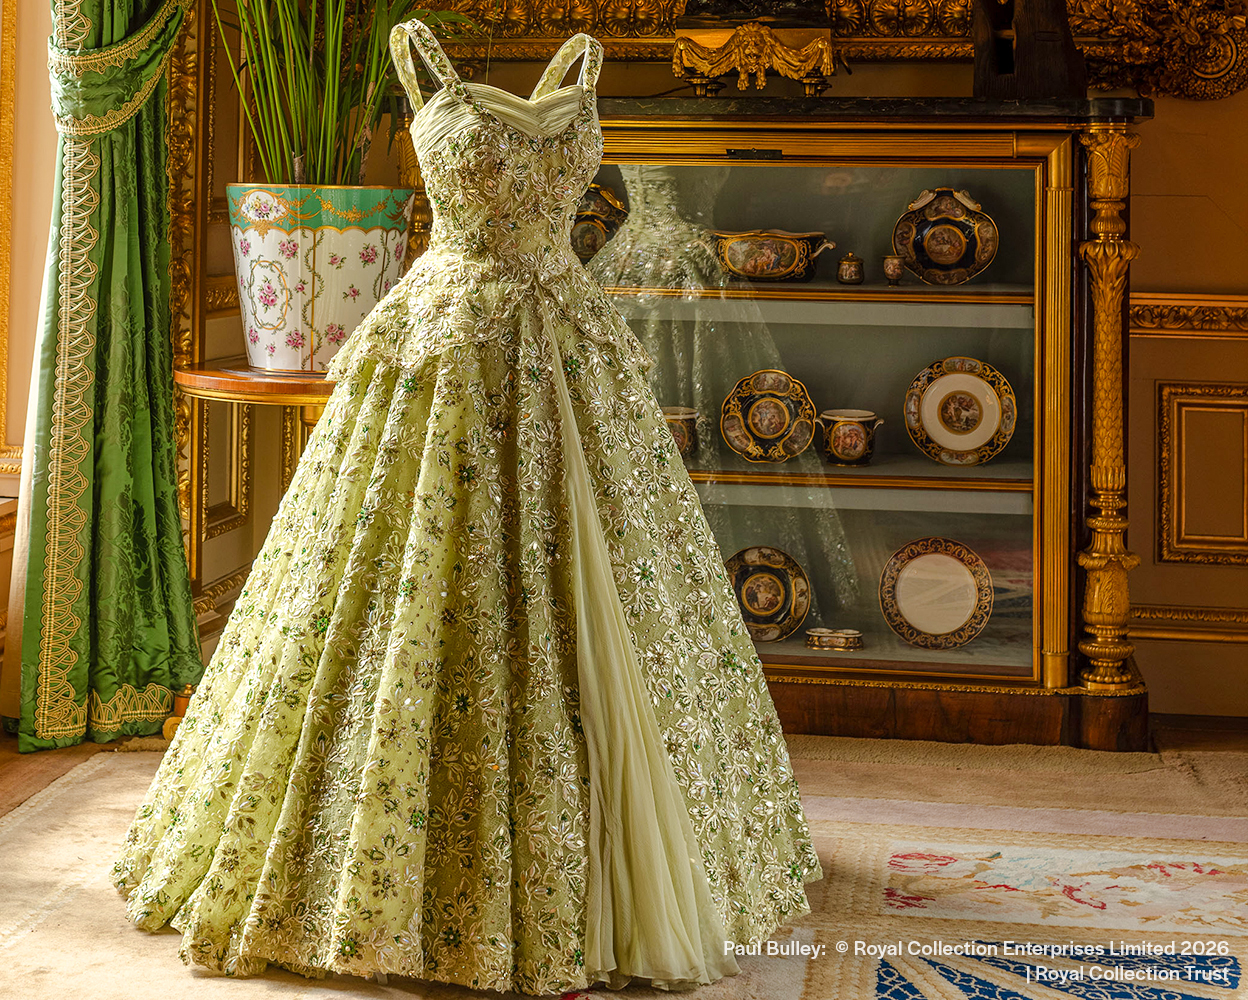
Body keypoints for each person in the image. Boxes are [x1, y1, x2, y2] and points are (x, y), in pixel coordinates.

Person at [112, 21, 820, 993]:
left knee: (611, 603)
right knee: (414, 593)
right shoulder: (415, 56)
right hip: (448, 345)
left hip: (569, 343)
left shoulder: (582, 65)